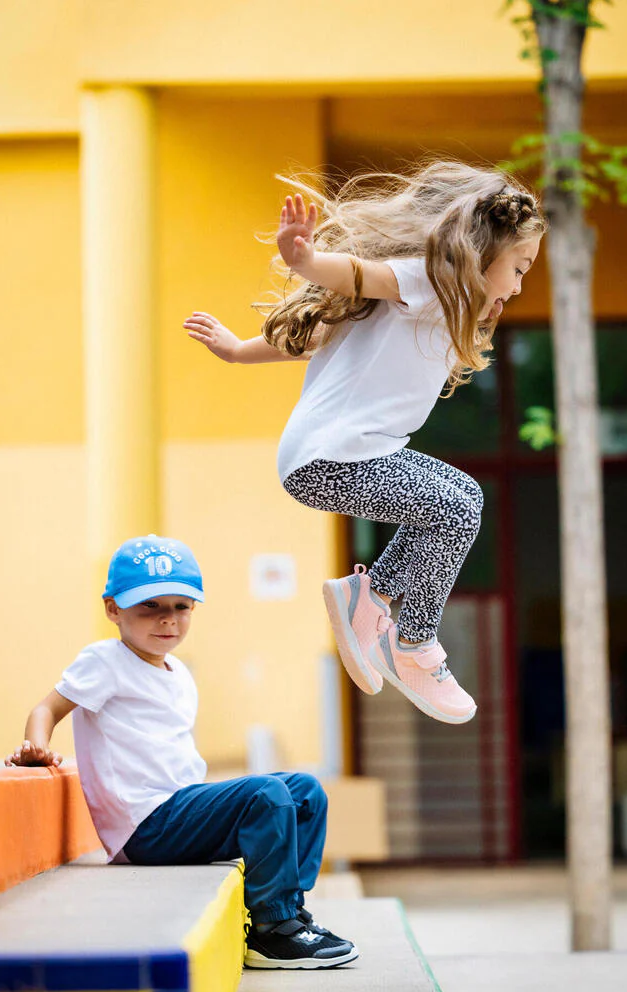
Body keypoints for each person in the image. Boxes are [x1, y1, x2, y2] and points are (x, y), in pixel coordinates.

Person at [184, 160, 545, 724]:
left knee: (449, 507)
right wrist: (303, 260)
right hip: (336, 456)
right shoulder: (428, 281)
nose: (521, 283)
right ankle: (413, 644)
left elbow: (319, 338)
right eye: (520, 266)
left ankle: (369, 600)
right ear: (484, 251)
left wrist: (237, 351)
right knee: (458, 502)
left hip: (333, 456)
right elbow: (359, 275)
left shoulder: (441, 308)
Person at [5, 534, 358, 970]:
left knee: (305, 790)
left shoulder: (179, 673)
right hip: (147, 826)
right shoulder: (105, 660)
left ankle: (292, 914)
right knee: (264, 794)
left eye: (180, 607)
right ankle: (272, 930)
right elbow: (48, 708)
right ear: (113, 609)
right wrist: (36, 747)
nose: (167, 619)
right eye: (149, 606)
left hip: (181, 811)